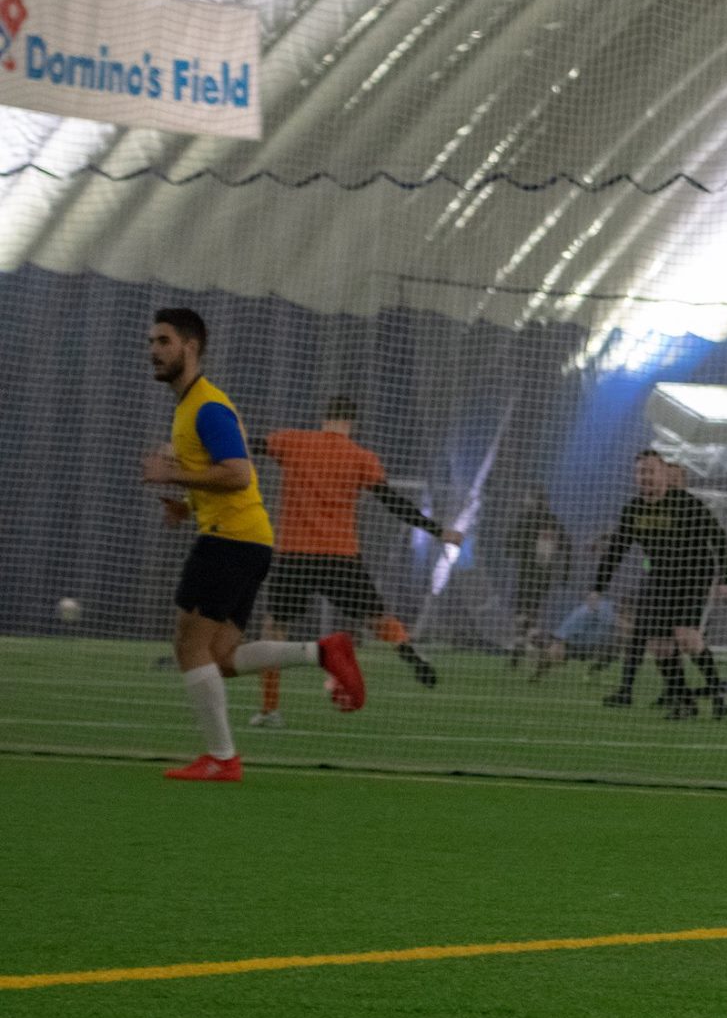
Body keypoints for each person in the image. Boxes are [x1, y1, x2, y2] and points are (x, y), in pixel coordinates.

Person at [140, 308, 363, 781]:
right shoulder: (191, 406)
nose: (154, 351)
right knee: (220, 657)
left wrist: (173, 475)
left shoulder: (207, 406)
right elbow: (226, 478)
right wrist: (187, 505)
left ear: (190, 347)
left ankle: (222, 759)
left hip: (229, 540)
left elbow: (239, 474)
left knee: (188, 646)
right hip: (246, 539)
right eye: (152, 342)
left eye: (163, 341)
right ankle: (323, 652)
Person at [248, 395, 464, 727]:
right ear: (352, 422)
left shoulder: (293, 441)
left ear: (325, 417)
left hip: (294, 555)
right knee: (379, 618)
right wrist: (439, 531)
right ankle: (408, 651)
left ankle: (270, 709)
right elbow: (393, 503)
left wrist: (208, 442)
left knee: (274, 629)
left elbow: (250, 445)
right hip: (341, 557)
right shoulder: (361, 457)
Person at [591, 451, 727, 720]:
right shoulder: (633, 510)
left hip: (694, 577)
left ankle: (719, 692)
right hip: (660, 578)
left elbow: (720, 540)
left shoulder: (687, 504)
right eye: (641, 472)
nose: (645, 476)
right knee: (659, 647)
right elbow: (615, 552)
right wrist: (597, 588)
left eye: (651, 471)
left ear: (664, 475)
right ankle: (684, 702)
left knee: (687, 639)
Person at [507, 488, 569, 670]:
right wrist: (566, 572)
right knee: (530, 612)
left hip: (528, 573)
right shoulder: (552, 520)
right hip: (543, 576)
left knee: (523, 612)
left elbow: (511, 541)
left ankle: (531, 646)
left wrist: (510, 547)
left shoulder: (527, 519)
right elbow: (566, 545)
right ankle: (523, 646)